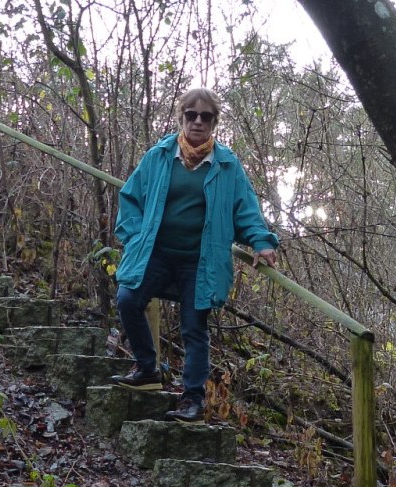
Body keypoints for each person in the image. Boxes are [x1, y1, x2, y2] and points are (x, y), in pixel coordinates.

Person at [110, 87, 278, 423]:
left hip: (199, 260)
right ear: (181, 117)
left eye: (206, 116)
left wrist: (261, 241)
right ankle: (146, 368)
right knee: (128, 299)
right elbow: (130, 199)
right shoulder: (159, 156)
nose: (198, 122)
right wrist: (134, 238)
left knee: (193, 326)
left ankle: (193, 399)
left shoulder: (227, 165)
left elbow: (245, 210)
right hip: (155, 254)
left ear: (215, 121)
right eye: (191, 115)